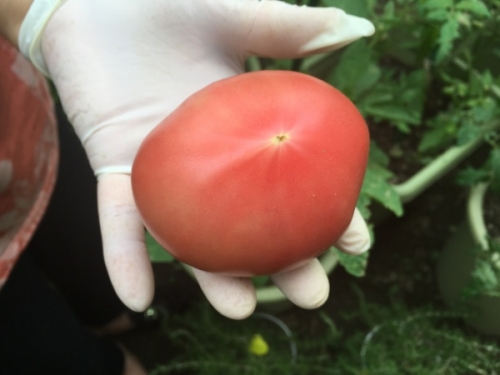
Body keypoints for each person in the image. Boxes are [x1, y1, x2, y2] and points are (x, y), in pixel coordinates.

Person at [0, 0, 375, 373]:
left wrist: (42, 14)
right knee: (43, 341)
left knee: (79, 240)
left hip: (24, 133)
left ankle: (111, 314)